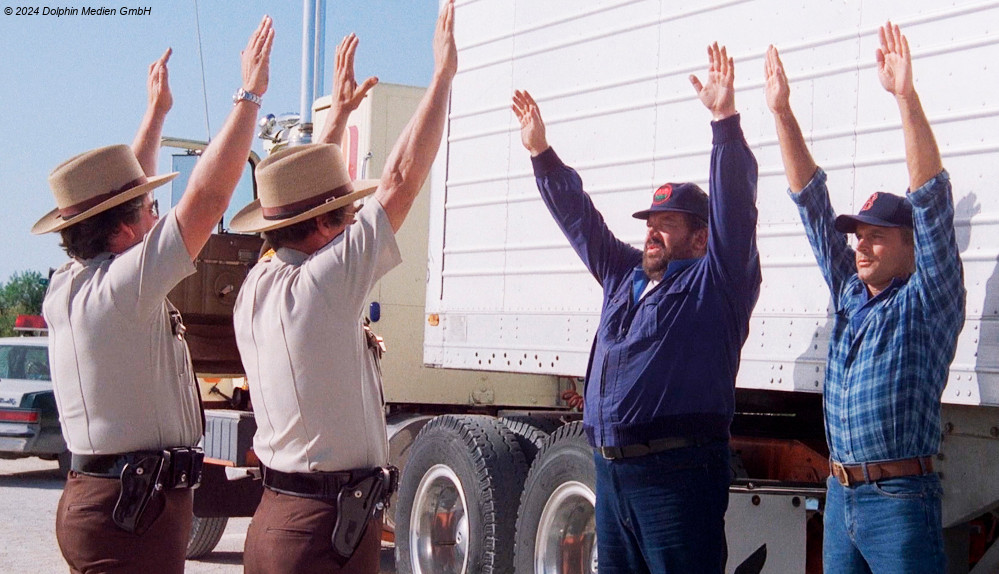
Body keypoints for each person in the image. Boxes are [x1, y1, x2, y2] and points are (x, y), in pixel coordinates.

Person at [35, 17, 273, 574]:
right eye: (148, 211)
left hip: (113, 499)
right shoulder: (122, 288)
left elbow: (122, 200)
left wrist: (157, 115)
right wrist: (249, 97)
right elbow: (209, 196)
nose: (157, 215)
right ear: (121, 230)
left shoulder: (72, 284)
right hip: (130, 511)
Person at [512, 42, 760, 574]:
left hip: (677, 477)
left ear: (700, 238)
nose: (651, 230)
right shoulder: (623, 276)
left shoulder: (715, 286)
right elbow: (583, 222)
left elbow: (736, 212)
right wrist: (542, 155)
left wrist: (725, 125)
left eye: (666, 223)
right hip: (613, 477)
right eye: (649, 221)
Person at [230, 3, 456, 573]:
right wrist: (442, 77)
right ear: (324, 229)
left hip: (279, 517)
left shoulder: (257, 283)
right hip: (322, 531)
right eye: (343, 213)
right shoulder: (323, 284)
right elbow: (402, 177)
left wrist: (336, 120)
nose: (352, 222)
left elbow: (295, 203)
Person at [764, 23, 965, 574]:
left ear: (911, 245)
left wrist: (906, 97)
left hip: (899, 502)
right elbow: (810, 203)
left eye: (877, 235)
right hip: (841, 495)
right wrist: (781, 113)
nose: (862, 245)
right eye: (858, 235)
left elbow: (931, 200)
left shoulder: (927, 301)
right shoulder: (850, 293)